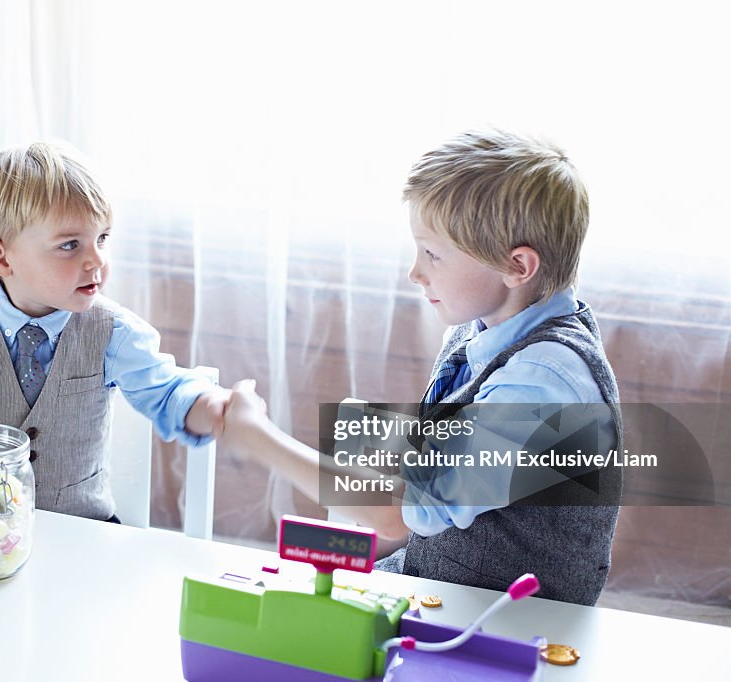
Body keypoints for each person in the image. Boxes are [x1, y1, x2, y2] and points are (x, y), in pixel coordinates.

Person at [222, 129, 622, 605]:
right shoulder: (486, 324)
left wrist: (256, 436)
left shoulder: (544, 381)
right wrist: (380, 441)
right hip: (446, 586)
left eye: (433, 253)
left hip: (509, 620)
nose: (415, 271)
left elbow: (401, 513)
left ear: (517, 267)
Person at [0, 141, 228, 522]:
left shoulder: (113, 332)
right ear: (1, 257)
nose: (97, 260)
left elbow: (168, 391)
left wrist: (212, 408)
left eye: (102, 238)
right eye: (70, 245)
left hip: (85, 529)